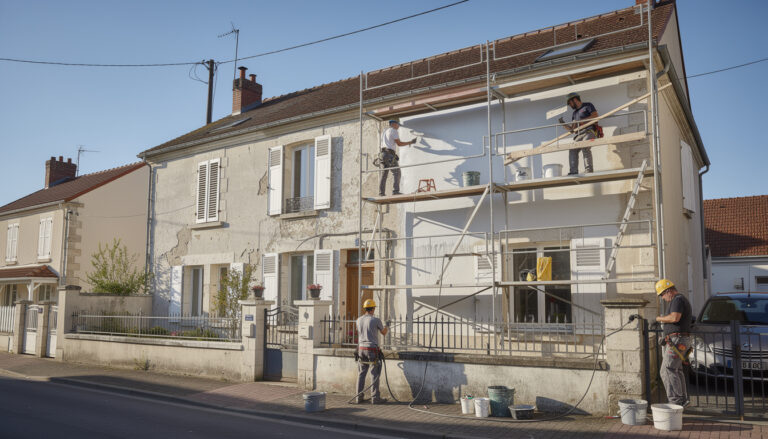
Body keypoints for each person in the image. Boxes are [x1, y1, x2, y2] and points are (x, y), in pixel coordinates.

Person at [655, 278, 692, 407]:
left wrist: (658, 318)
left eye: (662, 295)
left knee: (667, 370)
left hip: (678, 340)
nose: (663, 298)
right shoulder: (679, 300)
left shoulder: (677, 300)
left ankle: (675, 402)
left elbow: (675, 317)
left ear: (669, 291)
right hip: (679, 340)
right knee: (676, 369)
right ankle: (683, 399)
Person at [354, 298, 389, 404]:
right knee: (374, 373)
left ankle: (358, 397)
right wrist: (387, 325)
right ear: (373, 309)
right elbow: (383, 332)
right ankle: (375, 398)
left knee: (361, 373)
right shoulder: (375, 320)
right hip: (372, 349)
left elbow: (360, 333)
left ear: (365, 308)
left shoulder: (358, 320)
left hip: (361, 349)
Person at [560, 92, 597, 175]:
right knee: (573, 149)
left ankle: (589, 170)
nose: (570, 105)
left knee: (585, 146)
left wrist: (581, 122)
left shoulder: (588, 105)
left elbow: (595, 116)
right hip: (579, 134)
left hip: (589, 131)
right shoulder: (574, 113)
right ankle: (573, 171)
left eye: (570, 103)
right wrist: (563, 124)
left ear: (575, 100)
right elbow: (573, 130)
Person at [379, 119, 416, 196]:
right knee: (397, 172)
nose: (398, 126)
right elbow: (399, 143)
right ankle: (395, 191)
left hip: (383, 154)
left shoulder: (385, 131)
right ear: (393, 124)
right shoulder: (393, 131)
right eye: (397, 124)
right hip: (389, 154)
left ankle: (381, 193)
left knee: (384, 174)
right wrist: (410, 142)